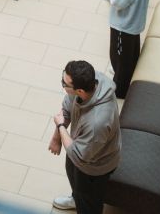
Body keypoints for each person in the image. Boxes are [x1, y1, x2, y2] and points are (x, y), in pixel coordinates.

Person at [49, 60, 121, 213]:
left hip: (94, 166)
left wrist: (61, 127)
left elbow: (79, 155)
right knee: (75, 180)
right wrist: (56, 138)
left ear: (80, 91)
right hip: (80, 146)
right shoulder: (94, 81)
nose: (63, 85)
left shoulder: (97, 123)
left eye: (65, 84)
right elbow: (67, 109)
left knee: (89, 202)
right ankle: (77, 199)